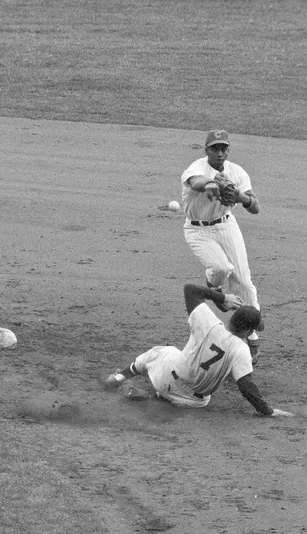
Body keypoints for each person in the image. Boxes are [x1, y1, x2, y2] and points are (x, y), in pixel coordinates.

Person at [104, 283, 293, 417]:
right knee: (219, 377)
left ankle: (118, 378)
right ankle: (156, 398)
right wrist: (267, 411)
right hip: (193, 402)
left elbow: (190, 289)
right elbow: (247, 387)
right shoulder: (241, 351)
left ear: (231, 319)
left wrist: (222, 297)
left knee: (161, 352)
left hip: (166, 377)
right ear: (249, 331)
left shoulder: (208, 321)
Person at [180, 129, 263, 363]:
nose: (219, 152)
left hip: (227, 226)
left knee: (244, 283)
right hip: (198, 229)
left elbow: (255, 207)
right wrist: (209, 184)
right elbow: (195, 181)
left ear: (228, 150)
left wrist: (242, 197)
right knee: (220, 269)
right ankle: (213, 286)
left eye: (223, 148)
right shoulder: (196, 168)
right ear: (206, 150)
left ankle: (253, 334)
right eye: (214, 148)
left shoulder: (237, 172)